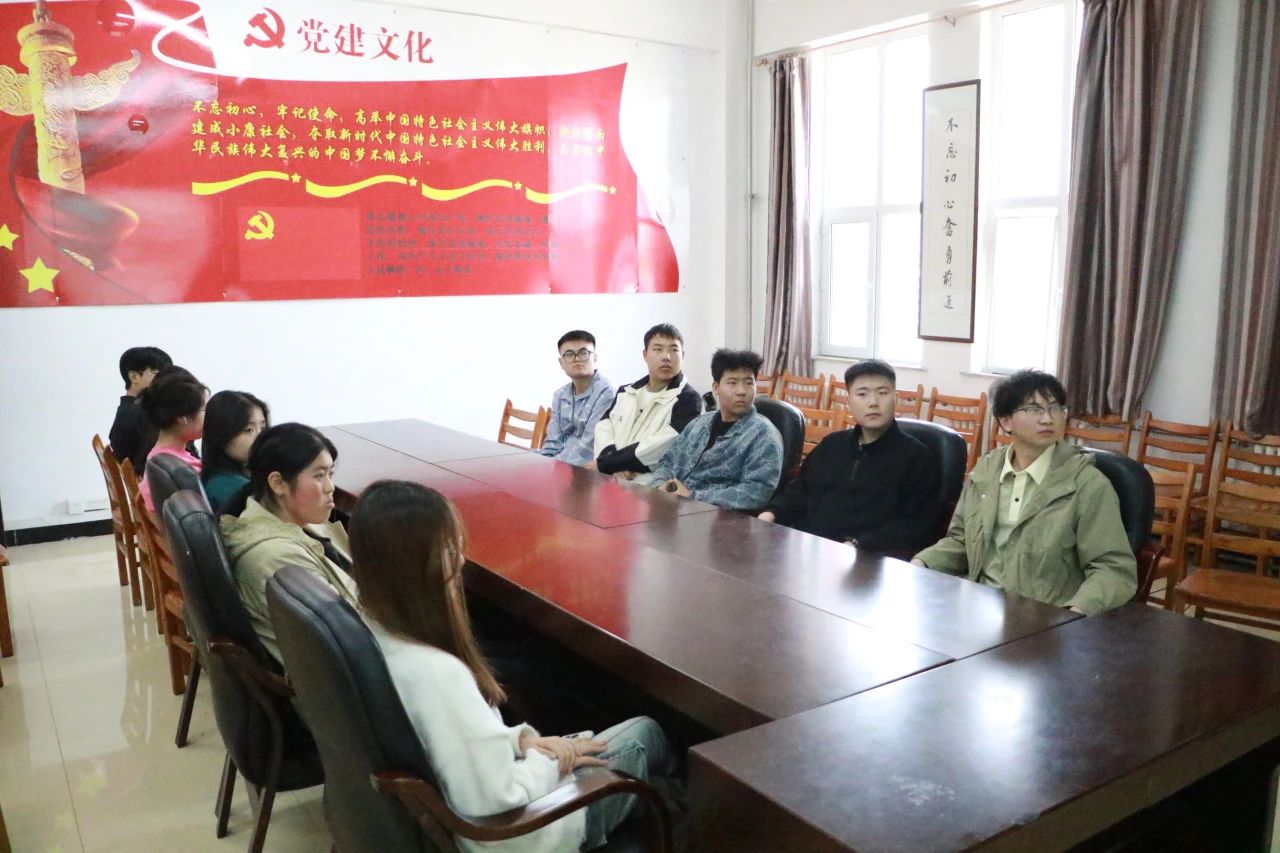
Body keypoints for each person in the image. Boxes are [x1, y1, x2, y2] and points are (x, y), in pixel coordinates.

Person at [349, 480, 674, 852]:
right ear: (418, 565)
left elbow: (456, 743)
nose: (460, 561)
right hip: (523, 832)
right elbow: (497, 799)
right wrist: (549, 761)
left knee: (602, 748)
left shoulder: (374, 628)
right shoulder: (438, 673)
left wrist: (524, 742)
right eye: (449, 549)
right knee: (648, 733)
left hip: (483, 803)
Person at [912, 369, 1137, 615]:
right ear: (1005, 421)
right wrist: (921, 563)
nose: (1047, 419)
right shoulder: (986, 471)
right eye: (1034, 409)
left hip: (1043, 619)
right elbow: (961, 541)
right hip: (978, 608)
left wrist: (1074, 614)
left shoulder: (1087, 484)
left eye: (1056, 408)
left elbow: (1112, 570)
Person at [760, 360, 943, 556]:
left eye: (882, 393)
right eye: (862, 394)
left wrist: (857, 544)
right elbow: (799, 491)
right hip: (811, 550)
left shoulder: (918, 458)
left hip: (869, 559)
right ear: (849, 402)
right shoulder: (831, 445)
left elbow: (914, 525)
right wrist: (771, 513)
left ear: (895, 399)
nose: (873, 402)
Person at [220, 423, 357, 661]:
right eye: (319, 476)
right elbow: (347, 636)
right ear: (278, 483)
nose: (330, 487)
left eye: (330, 474)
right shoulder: (276, 557)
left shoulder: (292, 520)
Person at [648, 349, 782, 511]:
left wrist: (691, 496)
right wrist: (660, 486)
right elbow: (668, 461)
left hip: (718, 518)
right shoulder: (699, 423)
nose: (742, 391)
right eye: (732, 383)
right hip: (673, 508)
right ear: (716, 388)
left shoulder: (764, 435)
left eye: (749, 383)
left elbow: (755, 492)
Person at [591, 323, 701, 485]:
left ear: (682, 355)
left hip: (652, 484)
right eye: (658, 349)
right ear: (645, 354)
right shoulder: (625, 392)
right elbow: (604, 428)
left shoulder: (689, 400)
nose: (666, 357)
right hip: (611, 477)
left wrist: (608, 464)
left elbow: (663, 446)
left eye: (673, 350)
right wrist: (612, 464)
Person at [136, 366, 207, 515]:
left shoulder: (158, 457)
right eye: (204, 410)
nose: (208, 416)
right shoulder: (181, 470)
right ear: (183, 417)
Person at [539, 330, 614, 466]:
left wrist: (553, 467)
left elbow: (588, 449)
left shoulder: (606, 394)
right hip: (558, 465)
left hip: (584, 470)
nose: (577, 359)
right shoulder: (560, 395)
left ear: (595, 358)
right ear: (561, 362)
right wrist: (542, 463)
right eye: (569, 354)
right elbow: (553, 442)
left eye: (584, 353)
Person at [200, 390, 270, 514]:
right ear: (222, 435)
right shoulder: (229, 488)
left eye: (263, 428)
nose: (261, 437)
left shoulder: (231, 477)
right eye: (249, 430)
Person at [109, 346, 172, 474]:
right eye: (157, 374)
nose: (166, 380)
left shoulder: (127, 410)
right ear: (134, 377)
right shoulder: (141, 414)